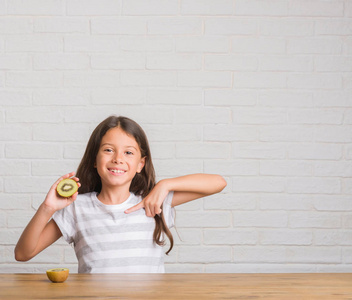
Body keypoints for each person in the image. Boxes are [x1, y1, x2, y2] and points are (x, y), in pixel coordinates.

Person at [15, 115, 227, 273]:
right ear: (94, 160)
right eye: (108, 150)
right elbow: (23, 254)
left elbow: (218, 183)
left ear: (140, 164)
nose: (118, 158)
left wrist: (164, 185)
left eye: (128, 152)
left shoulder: (153, 201)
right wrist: (47, 208)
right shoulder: (76, 207)